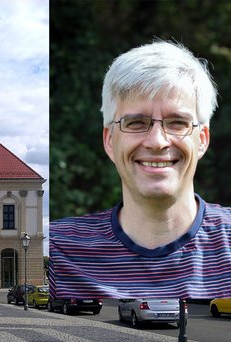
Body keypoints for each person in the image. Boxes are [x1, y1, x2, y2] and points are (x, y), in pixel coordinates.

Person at [50, 40, 231, 299]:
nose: (157, 141)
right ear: (109, 140)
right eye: (136, 122)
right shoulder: (60, 251)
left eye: (177, 122)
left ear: (202, 139)